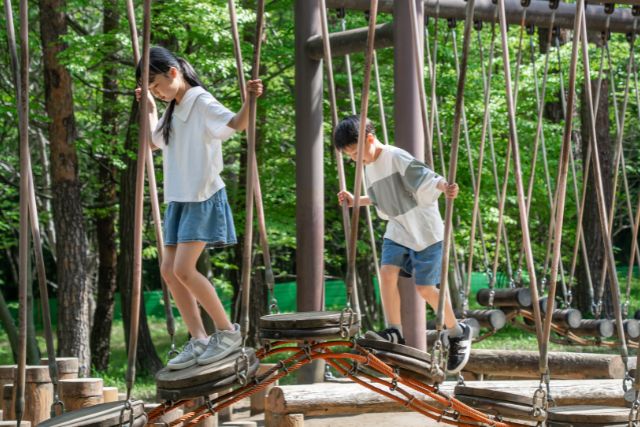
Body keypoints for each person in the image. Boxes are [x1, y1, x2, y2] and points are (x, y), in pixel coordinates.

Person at [135, 46, 263, 370]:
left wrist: (251, 100)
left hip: (202, 195)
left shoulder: (201, 101)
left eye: (157, 86)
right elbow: (152, 141)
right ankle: (199, 339)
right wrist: (149, 107)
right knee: (168, 271)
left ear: (173, 73)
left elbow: (235, 124)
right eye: (152, 90)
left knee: (183, 269)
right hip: (179, 199)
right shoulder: (172, 109)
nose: (158, 93)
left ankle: (228, 331)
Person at [334, 115, 472, 374]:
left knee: (425, 288)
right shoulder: (368, 166)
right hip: (398, 227)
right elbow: (381, 199)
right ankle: (394, 331)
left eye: (355, 153)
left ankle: (457, 330)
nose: (354, 159)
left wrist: (445, 187)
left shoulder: (396, 157)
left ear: (370, 139)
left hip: (425, 231)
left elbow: (428, 178)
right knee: (386, 273)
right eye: (350, 156)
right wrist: (356, 200)